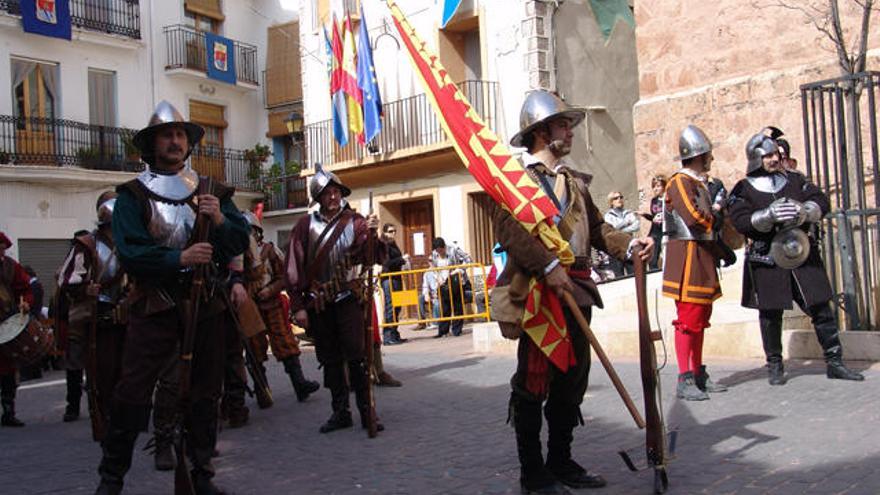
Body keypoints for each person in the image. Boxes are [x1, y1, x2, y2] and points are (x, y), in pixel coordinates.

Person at [498, 90, 653, 494]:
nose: (570, 131)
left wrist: (628, 246)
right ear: (540, 131)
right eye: (563, 124)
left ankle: (561, 461)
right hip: (540, 299)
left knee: (571, 383)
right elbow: (510, 232)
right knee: (533, 384)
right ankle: (533, 474)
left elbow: (599, 230)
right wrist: (548, 266)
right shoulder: (517, 184)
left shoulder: (575, 184)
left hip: (577, 294)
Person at [94, 101, 249, 495]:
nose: (176, 141)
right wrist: (176, 257)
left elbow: (238, 241)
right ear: (152, 144)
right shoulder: (132, 195)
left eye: (180, 134)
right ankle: (111, 480)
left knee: (205, 393)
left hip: (206, 304)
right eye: (168, 134)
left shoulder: (212, 191)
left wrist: (218, 219)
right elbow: (130, 250)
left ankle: (202, 474)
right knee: (131, 393)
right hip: (156, 304)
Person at [728, 130, 864, 385]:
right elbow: (739, 219)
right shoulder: (743, 189)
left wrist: (806, 211)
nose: (774, 159)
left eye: (775, 154)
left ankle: (835, 362)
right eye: (768, 155)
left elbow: (820, 200)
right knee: (770, 315)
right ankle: (775, 366)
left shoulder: (795, 180)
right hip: (767, 258)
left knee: (821, 308)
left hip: (801, 253)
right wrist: (766, 216)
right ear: (756, 158)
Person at [284, 164, 388, 434]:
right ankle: (340, 412)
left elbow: (371, 257)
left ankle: (368, 413)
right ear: (318, 197)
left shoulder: (355, 222)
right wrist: (298, 306)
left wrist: (373, 235)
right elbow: (293, 267)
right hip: (319, 302)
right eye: (327, 192)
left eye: (336, 192)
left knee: (358, 357)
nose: (333, 197)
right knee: (330, 360)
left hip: (350, 299)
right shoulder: (305, 226)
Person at [661, 125, 728, 401]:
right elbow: (695, 218)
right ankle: (684, 377)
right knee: (688, 319)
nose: (710, 159)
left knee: (700, 318)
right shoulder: (679, 181)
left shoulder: (699, 184)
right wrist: (714, 215)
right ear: (699, 155)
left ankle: (698, 372)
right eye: (708, 155)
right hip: (687, 256)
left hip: (703, 254)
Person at [56, 192, 128, 427]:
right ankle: (100, 413)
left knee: (127, 370)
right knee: (99, 372)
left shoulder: (129, 243)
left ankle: (123, 414)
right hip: (95, 317)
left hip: (125, 315)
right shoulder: (87, 244)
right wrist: (86, 288)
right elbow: (66, 278)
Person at [237, 211, 319, 402]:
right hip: (250, 308)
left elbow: (284, 278)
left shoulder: (271, 251)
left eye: (251, 230)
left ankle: (300, 385)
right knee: (254, 350)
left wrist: (270, 290)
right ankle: (262, 393)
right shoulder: (237, 256)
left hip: (271, 304)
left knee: (285, 344)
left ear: (258, 231)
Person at [0, 231, 34, 427]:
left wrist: (26, 303)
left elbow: (26, 290)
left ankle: (8, 411)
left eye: (2, 248)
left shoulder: (12, 267)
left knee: (7, 370)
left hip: (7, 324)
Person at [430, 237, 472, 338]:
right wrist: (437, 277)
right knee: (445, 307)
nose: (439, 252)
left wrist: (460, 269)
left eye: (441, 250)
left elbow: (469, 259)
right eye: (437, 251)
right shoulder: (434, 254)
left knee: (457, 305)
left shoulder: (454, 250)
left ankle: (456, 330)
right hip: (442, 282)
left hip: (455, 280)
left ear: (444, 247)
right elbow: (434, 268)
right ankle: (443, 331)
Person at [380, 223, 407, 345]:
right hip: (388, 278)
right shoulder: (384, 245)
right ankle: (387, 336)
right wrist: (402, 260)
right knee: (390, 307)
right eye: (390, 231)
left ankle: (395, 333)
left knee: (398, 306)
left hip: (397, 277)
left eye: (394, 231)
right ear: (385, 232)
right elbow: (386, 263)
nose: (393, 233)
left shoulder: (392, 244)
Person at [604, 191, 640, 276]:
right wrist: (626, 222)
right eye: (616, 198)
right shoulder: (608, 216)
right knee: (619, 277)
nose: (619, 199)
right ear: (611, 202)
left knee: (634, 275)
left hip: (629, 248)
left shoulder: (628, 213)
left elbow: (636, 226)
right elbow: (611, 229)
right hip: (616, 249)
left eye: (621, 197)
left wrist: (620, 231)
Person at [643, 175, 666, 270]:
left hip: (666, 230)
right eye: (654, 187)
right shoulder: (654, 200)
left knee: (667, 255)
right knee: (653, 258)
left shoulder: (668, 199)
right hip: (656, 231)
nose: (655, 189)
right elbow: (654, 217)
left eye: (658, 186)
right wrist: (645, 215)